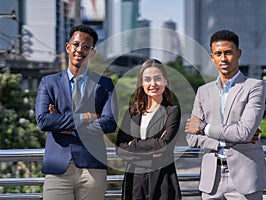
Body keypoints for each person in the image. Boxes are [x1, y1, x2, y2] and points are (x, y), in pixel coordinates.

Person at [185, 29, 266, 200]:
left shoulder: (255, 86)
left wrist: (203, 127)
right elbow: (191, 137)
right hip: (212, 179)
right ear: (212, 57)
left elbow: (244, 132)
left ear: (238, 54)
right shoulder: (203, 91)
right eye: (218, 54)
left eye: (228, 53)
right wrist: (229, 138)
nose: (223, 59)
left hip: (245, 177)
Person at [35, 24, 117, 200]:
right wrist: (86, 117)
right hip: (57, 168)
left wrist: (62, 123)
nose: (80, 50)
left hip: (92, 168)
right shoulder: (48, 83)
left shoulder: (104, 84)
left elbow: (109, 122)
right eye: (76, 44)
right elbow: (43, 120)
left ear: (92, 52)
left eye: (86, 47)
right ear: (68, 47)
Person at [116, 59, 182, 200]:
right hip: (134, 180)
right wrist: (153, 147)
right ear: (141, 83)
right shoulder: (132, 113)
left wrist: (133, 145)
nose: (153, 84)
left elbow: (164, 145)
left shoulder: (172, 111)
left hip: (162, 178)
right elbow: (120, 148)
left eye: (157, 79)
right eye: (147, 79)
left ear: (165, 81)